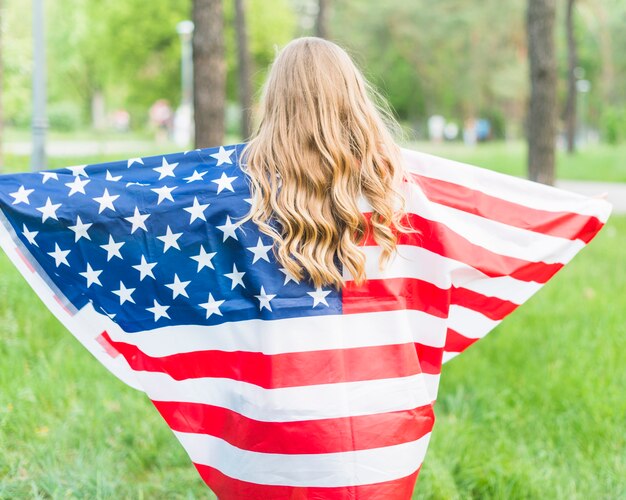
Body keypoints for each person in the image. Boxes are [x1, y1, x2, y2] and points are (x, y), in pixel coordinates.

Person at [0, 37, 611, 498]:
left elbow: (116, 205)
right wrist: (588, 209)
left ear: (275, 99)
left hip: (275, 439)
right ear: (354, 97)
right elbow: (504, 219)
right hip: (384, 435)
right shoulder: (407, 190)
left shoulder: (224, 190)